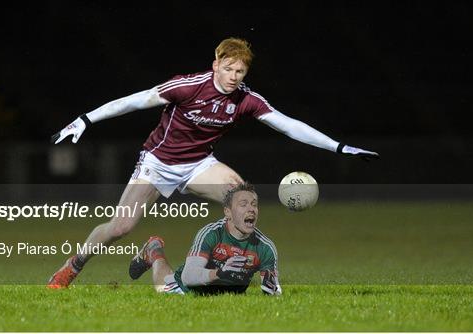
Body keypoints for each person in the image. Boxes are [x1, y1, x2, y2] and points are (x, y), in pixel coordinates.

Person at [47, 37, 378, 289]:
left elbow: (288, 124)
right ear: (216, 63)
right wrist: (85, 120)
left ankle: (229, 270)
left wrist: (339, 147)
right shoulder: (189, 86)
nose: (234, 76)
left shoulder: (245, 99)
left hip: (199, 164)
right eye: (229, 68)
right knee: (120, 228)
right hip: (157, 163)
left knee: (241, 199)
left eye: (241, 71)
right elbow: (134, 101)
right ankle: (73, 265)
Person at [129, 182, 281, 295]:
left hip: (225, 296)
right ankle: (154, 250)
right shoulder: (211, 234)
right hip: (188, 288)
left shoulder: (265, 247)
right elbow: (188, 277)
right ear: (228, 212)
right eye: (243, 204)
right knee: (163, 288)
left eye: (254, 205)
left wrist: (272, 288)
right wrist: (219, 273)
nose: (251, 209)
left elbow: (273, 291)